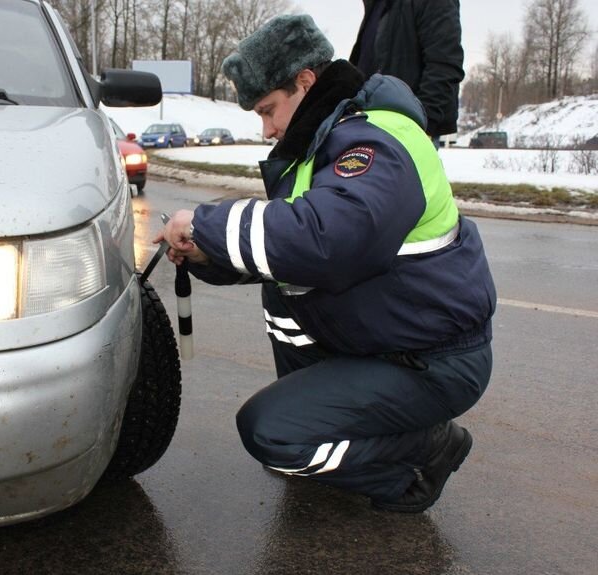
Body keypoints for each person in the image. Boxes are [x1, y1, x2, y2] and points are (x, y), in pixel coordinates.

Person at [155, 13, 496, 513]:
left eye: (269, 110)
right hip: (386, 341)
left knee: (271, 435)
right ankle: (323, 425)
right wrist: (205, 252)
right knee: (283, 290)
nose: (267, 128)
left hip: (433, 359)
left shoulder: (376, 139)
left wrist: (206, 224)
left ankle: (423, 453)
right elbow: (285, 250)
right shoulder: (323, 145)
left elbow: (327, 241)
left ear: (306, 81)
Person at [349, 0, 465, 143]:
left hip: (407, 130)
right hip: (365, 124)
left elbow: (444, 65)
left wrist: (424, 124)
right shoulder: (378, 5)